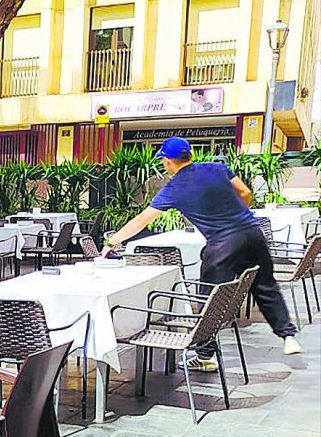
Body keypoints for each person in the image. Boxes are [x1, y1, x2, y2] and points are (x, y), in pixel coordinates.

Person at [101, 137, 300, 371]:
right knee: (265, 285)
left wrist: (112, 241)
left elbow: (141, 220)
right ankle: (288, 336)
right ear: (190, 156)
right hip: (252, 233)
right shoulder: (217, 168)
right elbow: (244, 192)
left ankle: (206, 356)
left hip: (223, 244)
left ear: (167, 161)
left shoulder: (174, 188)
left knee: (208, 299)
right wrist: (239, 212)